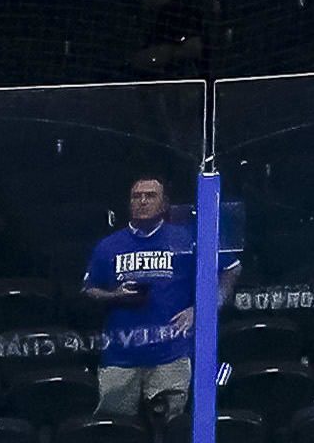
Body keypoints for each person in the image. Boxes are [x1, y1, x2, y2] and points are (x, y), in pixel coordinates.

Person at [80, 177, 223, 425]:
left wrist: (201, 310)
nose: (142, 201)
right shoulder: (108, 246)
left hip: (171, 355)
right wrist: (116, 296)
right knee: (116, 430)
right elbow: (89, 290)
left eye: (150, 195)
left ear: (164, 203)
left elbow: (229, 270)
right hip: (120, 356)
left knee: (170, 427)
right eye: (136, 196)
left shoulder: (186, 240)